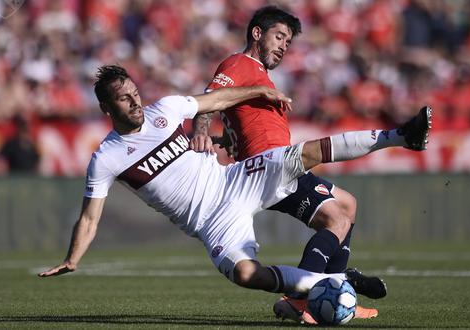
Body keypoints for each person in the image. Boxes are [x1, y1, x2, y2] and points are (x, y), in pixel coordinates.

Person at [38, 65, 431, 324]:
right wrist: (73, 259)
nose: (135, 100)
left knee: (305, 154)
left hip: (234, 180)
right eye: (124, 98)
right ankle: (327, 282)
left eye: (135, 92)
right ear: (107, 107)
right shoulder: (105, 157)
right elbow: (89, 217)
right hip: (211, 222)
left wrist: (260, 88)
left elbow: (218, 100)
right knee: (247, 274)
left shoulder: (167, 108)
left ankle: (401, 136)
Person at [191, 5, 431, 323]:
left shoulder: (258, 78)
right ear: (257, 33)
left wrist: (228, 140)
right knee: (337, 218)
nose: (283, 46)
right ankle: (301, 298)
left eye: (288, 42)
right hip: (272, 167)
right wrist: (201, 132)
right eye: (279, 36)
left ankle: (334, 292)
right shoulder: (240, 63)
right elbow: (208, 99)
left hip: (272, 167)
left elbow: (238, 117)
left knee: (348, 205)